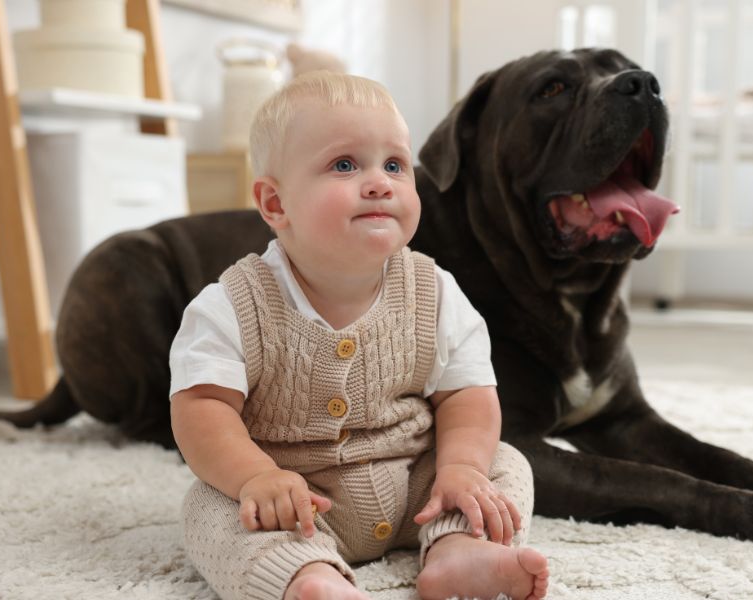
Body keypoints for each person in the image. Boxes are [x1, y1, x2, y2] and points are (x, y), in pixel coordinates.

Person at [168, 71, 549, 600]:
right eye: (344, 165)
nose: (379, 182)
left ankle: (456, 551)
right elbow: (201, 406)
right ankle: (307, 578)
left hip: (419, 485)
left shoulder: (434, 292)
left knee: (504, 463)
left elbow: (468, 393)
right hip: (295, 502)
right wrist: (254, 477)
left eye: (394, 164)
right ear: (276, 204)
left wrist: (460, 467)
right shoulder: (232, 305)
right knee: (211, 506)